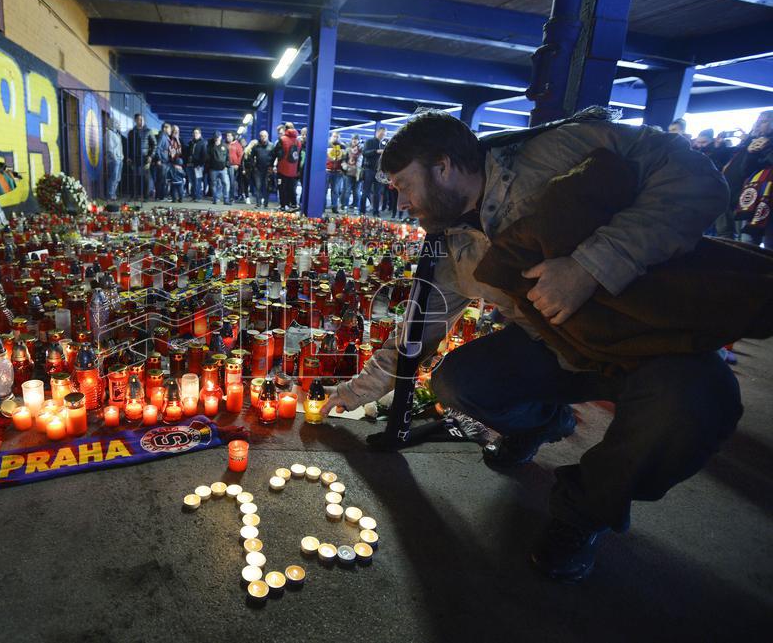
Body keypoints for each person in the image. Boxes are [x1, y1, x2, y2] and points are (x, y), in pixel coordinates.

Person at [322, 108, 739, 582]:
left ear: (443, 166)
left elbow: (695, 179)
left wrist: (591, 265)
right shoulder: (450, 242)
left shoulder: (557, 152)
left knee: (696, 407)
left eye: (402, 185)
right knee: (459, 383)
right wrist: (356, 392)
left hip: (650, 338)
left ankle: (584, 513)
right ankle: (541, 423)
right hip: (558, 349)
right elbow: (420, 329)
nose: (400, 202)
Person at [722, 110, 773, 244]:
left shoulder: (767, 144)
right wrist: (751, 153)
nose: (757, 126)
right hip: (753, 200)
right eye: (757, 122)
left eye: (763, 122)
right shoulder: (754, 142)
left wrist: (767, 147)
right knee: (746, 241)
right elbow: (745, 171)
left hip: (768, 199)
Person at [273, 122, 302, 212]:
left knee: (281, 188)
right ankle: (293, 204)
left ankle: (283, 205)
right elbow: (299, 157)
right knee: (291, 188)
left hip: (282, 169)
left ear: (285, 129)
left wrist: (272, 164)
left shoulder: (282, 139)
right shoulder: (298, 141)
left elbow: (277, 153)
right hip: (293, 170)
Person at [127, 113, 156, 200]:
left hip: (145, 158)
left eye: (142, 119)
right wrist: (128, 157)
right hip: (134, 158)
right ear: (135, 120)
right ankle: (134, 196)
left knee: (145, 178)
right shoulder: (131, 132)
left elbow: (154, 144)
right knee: (134, 178)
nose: (141, 121)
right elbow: (128, 146)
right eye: (139, 119)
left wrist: (150, 156)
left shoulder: (148, 131)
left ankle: (146, 197)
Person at [361, 127, 387, 216]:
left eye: (384, 134)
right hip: (369, 169)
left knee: (378, 193)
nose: (382, 135)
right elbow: (364, 153)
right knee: (365, 191)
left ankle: (376, 212)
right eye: (381, 133)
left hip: (379, 171)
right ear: (377, 132)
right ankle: (362, 211)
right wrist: (376, 151)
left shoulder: (385, 144)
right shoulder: (369, 141)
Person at [249, 130, 276, 208]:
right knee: (258, 187)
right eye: (261, 136)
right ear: (259, 137)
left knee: (267, 187)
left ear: (267, 136)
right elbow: (251, 157)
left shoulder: (272, 146)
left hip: (268, 170)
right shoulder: (256, 146)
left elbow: (275, 156)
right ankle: (258, 203)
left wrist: (272, 166)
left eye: (265, 136)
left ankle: (266, 204)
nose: (263, 138)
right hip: (258, 169)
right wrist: (253, 166)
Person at [342, 134, 363, 213]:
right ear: (351, 140)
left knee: (357, 191)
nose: (354, 140)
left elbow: (363, 161)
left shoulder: (362, 149)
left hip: (358, 173)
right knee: (347, 190)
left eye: (356, 139)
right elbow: (344, 159)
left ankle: (356, 207)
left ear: (358, 140)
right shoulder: (347, 149)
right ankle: (345, 206)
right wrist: (345, 166)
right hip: (348, 172)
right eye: (353, 139)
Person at [208, 131, 230, 205]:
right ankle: (215, 199)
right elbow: (208, 157)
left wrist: (227, 166)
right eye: (216, 137)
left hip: (223, 169)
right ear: (214, 138)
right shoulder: (210, 146)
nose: (217, 138)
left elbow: (227, 157)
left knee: (225, 184)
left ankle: (226, 200)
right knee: (214, 184)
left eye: (218, 137)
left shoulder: (225, 146)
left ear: (221, 137)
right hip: (213, 169)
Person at [105, 118, 123, 201]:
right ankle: (110, 194)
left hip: (119, 158)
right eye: (117, 123)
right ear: (112, 123)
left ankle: (113, 193)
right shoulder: (109, 133)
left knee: (117, 178)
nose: (118, 125)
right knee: (113, 177)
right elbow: (109, 148)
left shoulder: (117, 134)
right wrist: (115, 158)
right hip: (113, 159)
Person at [326, 132, 345, 213]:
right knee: (324, 190)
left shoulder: (342, 146)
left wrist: (342, 170)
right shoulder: (326, 145)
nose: (335, 138)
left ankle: (334, 207)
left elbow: (344, 159)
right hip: (327, 170)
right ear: (331, 137)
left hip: (337, 172)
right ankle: (322, 206)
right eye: (334, 136)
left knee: (335, 191)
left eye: (337, 137)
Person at [154, 123, 173, 201]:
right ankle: (160, 196)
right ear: (165, 129)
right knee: (161, 180)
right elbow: (157, 148)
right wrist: (158, 159)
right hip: (162, 161)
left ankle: (161, 196)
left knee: (162, 179)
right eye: (169, 129)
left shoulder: (166, 137)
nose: (170, 130)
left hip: (165, 161)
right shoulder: (162, 136)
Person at [187, 128, 207, 200]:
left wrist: (200, 164)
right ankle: (193, 196)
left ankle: (198, 197)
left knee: (198, 181)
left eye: (197, 133)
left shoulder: (203, 143)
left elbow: (204, 155)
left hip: (198, 166)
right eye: (194, 133)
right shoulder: (191, 142)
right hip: (190, 165)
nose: (195, 134)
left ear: (200, 134)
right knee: (192, 181)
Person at [226, 132, 244, 203]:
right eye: (227, 136)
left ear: (233, 137)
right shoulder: (226, 144)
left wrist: (238, 164)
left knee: (232, 182)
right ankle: (226, 196)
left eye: (229, 136)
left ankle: (231, 197)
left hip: (233, 166)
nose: (227, 137)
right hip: (225, 166)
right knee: (226, 182)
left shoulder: (237, 145)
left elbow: (240, 155)